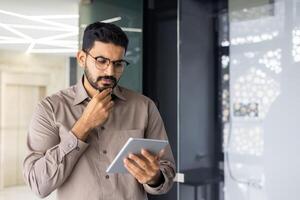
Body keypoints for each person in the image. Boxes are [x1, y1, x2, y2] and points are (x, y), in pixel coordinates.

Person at [23, 22, 176, 200]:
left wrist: (154, 178)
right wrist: (83, 125)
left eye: (118, 64)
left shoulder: (144, 107)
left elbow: (167, 170)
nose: (110, 71)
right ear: (81, 59)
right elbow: (38, 184)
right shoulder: (50, 109)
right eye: (101, 61)